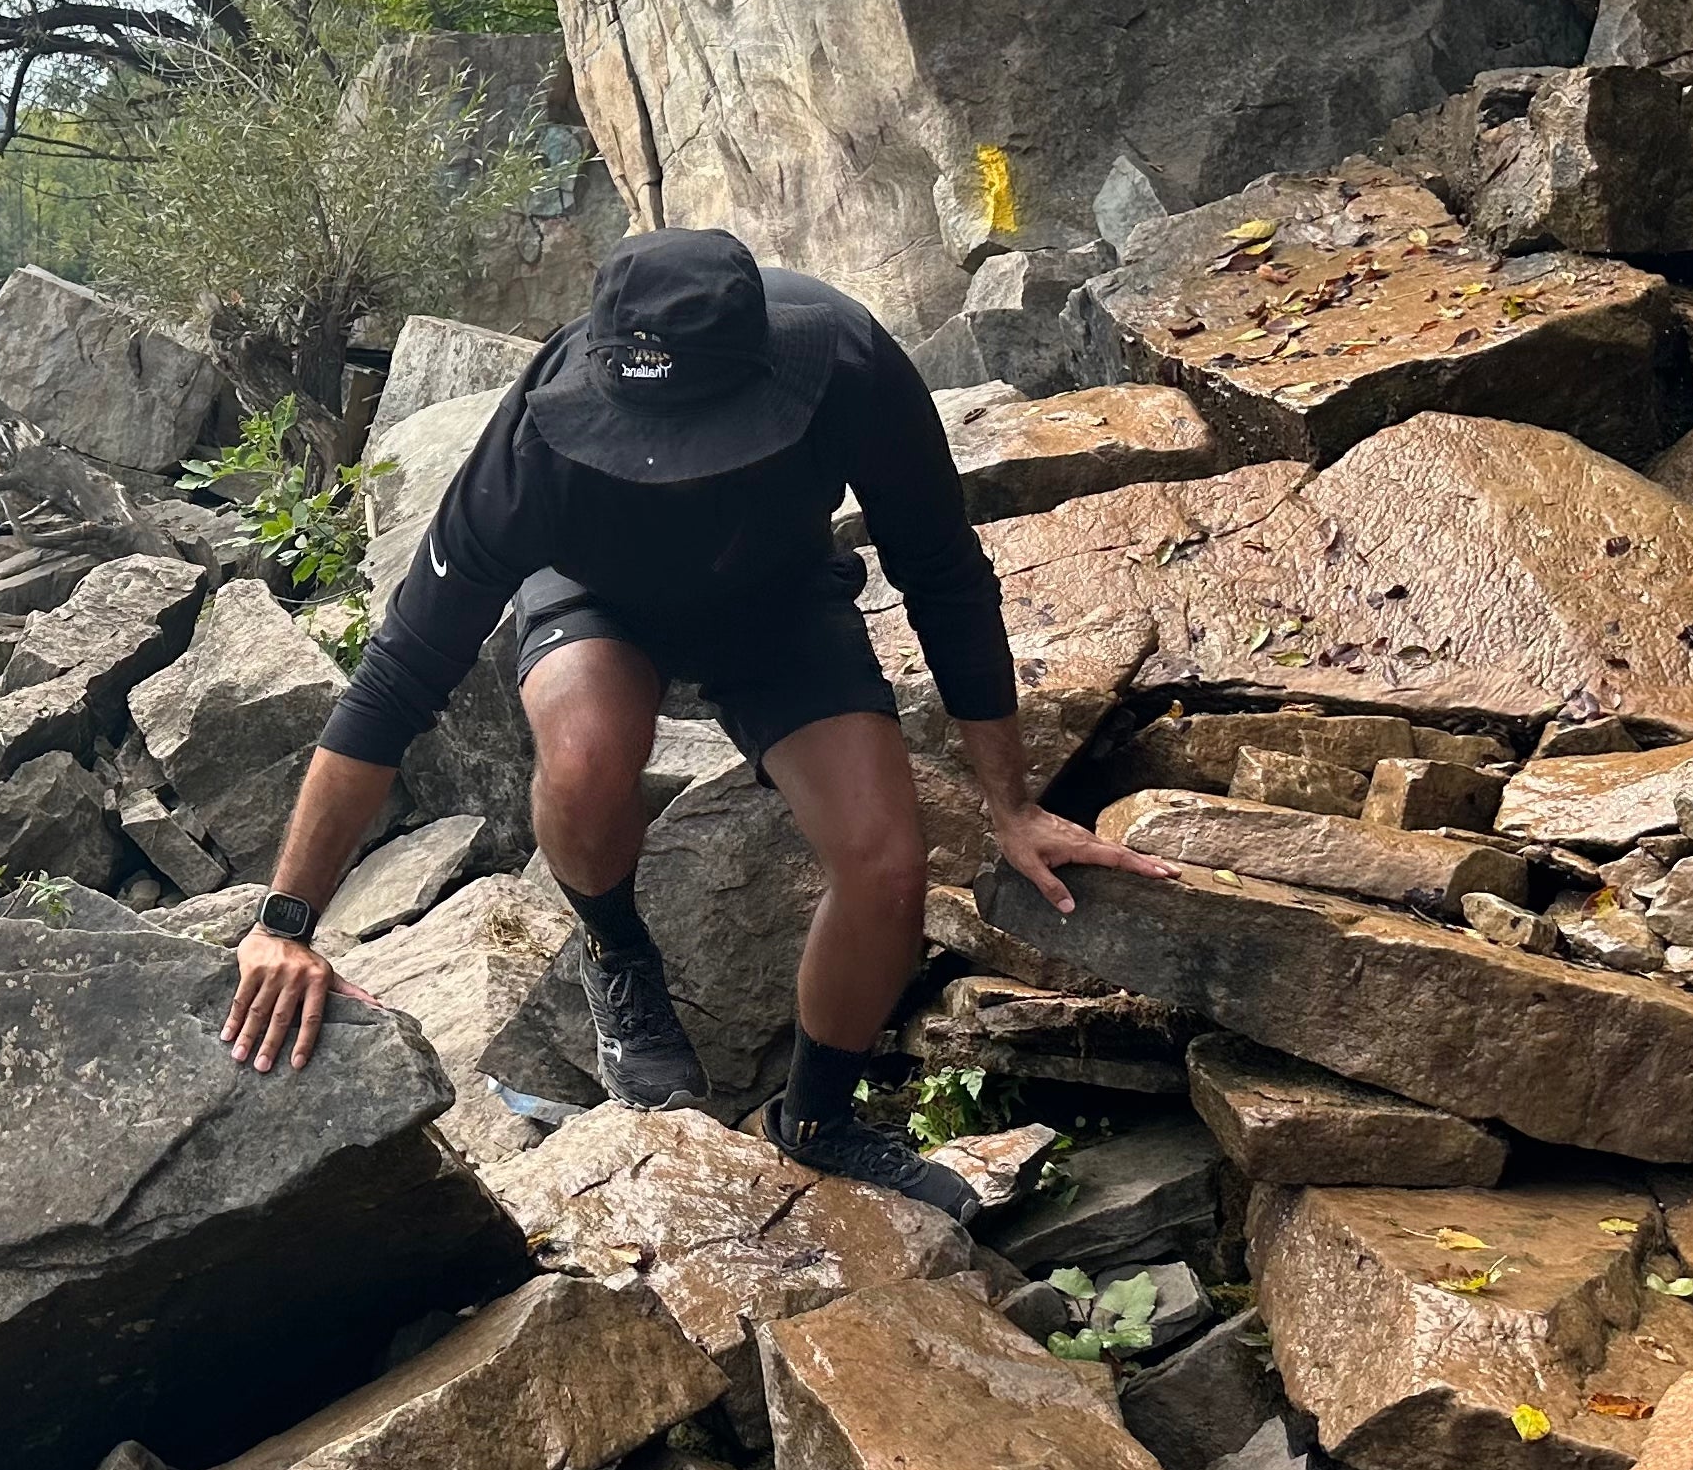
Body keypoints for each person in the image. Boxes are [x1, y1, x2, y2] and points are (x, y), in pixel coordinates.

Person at [219, 227, 1173, 1216]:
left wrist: (1008, 805)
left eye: (705, 439)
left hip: (773, 596)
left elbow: (943, 579)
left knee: (887, 862)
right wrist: (283, 923)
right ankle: (616, 954)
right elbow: (396, 679)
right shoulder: (535, 445)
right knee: (587, 758)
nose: (673, 468)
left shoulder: (847, 366)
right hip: (597, 601)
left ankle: (815, 1121)